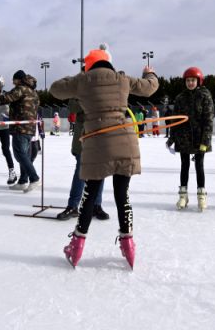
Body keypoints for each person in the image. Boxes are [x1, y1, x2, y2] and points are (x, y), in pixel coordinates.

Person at [50, 47, 158, 269]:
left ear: (89, 65)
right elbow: (150, 88)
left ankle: (77, 245)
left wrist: (79, 76)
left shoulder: (83, 80)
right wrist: (150, 73)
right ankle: (129, 246)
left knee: (89, 195)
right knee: (122, 195)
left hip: (98, 143)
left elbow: (55, 89)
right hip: (125, 141)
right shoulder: (123, 79)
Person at [0, 70, 41, 193]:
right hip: (29, 128)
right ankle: (23, 181)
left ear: (19, 79)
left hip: (21, 128)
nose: (12, 82)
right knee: (25, 155)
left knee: (19, 154)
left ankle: (34, 178)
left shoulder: (20, 89)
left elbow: (5, 98)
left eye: (14, 80)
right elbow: (36, 106)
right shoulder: (33, 92)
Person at [167, 67, 214, 212]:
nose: (190, 83)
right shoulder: (181, 98)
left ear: (198, 81)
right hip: (184, 138)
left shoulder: (205, 96)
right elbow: (175, 121)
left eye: (193, 80)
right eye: (188, 80)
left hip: (200, 138)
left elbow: (208, 120)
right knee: (184, 166)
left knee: (199, 166)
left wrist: (205, 141)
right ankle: (183, 195)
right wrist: (171, 139)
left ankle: (201, 195)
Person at [56, 96, 107, 221]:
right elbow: (72, 107)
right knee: (81, 172)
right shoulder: (80, 85)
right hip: (83, 137)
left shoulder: (106, 84)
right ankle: (73, 206)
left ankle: (96, 205)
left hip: (101, 135)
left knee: (99, 172)